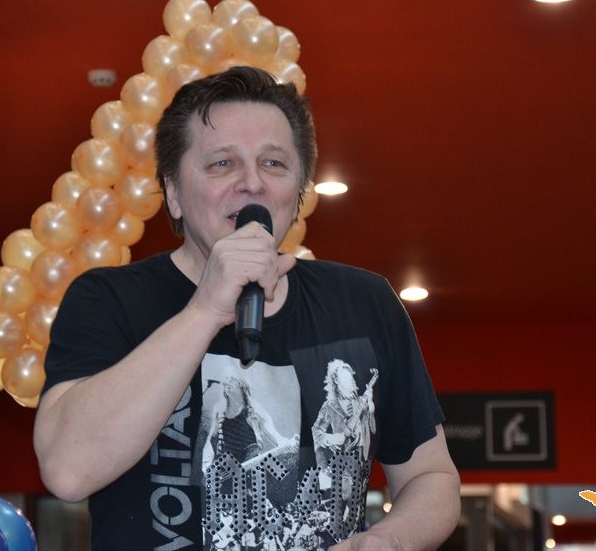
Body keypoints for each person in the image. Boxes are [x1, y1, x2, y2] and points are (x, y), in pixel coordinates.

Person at [34, 66, 460, 550]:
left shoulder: (365, 303)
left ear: (298, 191)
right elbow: (68, 470)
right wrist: (205, 309)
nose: (252, 183)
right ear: (173, 192)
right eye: (222, 164)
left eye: (274, 164)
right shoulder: (108, 300)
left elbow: (431, 476)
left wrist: (388, 541)